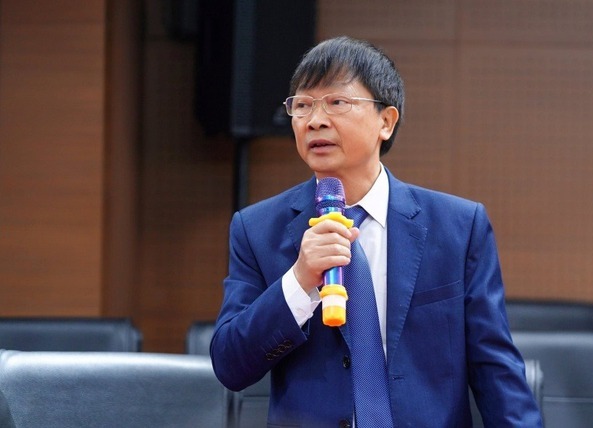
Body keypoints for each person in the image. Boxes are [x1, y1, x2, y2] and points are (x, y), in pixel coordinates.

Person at [210, 35, 542, 427]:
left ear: (386, 121)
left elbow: (495, 368)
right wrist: (299, 280)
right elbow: (231, 366)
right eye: (302, 105)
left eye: (337, 102)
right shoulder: (256, 229)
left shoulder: (458, 227)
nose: (315, 120)